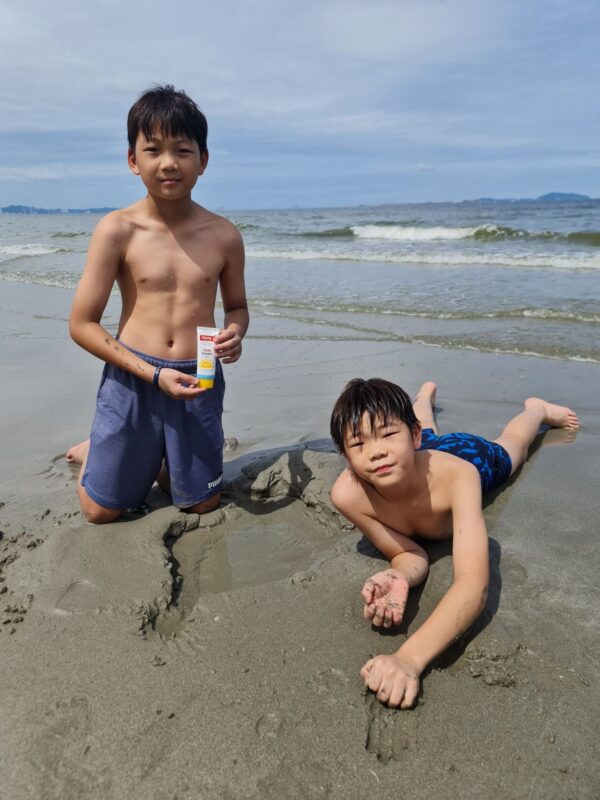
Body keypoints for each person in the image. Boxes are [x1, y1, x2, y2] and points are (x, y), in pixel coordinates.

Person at [329, 378, 579, 709]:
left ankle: (536, 409)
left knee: (513, 446)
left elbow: (473, 585)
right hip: (419, 455)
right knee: (429, 434)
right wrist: (400, 575)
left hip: (464, 456)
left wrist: (409, 659)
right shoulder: (349, 496)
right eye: (358, 444)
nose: (376, 451)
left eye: (388, 434)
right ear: (346, 456)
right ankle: (424, 398)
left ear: (410, 436)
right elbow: (407, 553)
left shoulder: (462, 475)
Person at [67, 85, 248, 524]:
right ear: (133, 160)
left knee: (199, 502)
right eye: (154, 150)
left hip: (199, 376)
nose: (169, 163)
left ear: (202, 161)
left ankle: (164, 457)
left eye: (183, 150)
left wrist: (236, 333)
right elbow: (81, 324)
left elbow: (237, 306)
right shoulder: (117, 230)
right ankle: (97, 449)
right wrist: (154, 374)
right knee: (100, 511)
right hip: (136, 375)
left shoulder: (224, 235)